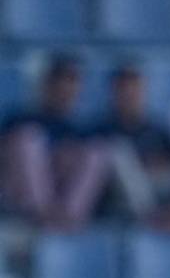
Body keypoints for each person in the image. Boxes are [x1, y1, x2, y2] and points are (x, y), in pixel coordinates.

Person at [3, 53, 109, 229]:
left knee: (97, 150)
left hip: (62, 201)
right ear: (47, 85)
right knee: (29, 139)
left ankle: (68, 216)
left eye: (72, 84)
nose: (66, 90)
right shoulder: (20, 118)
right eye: (60, 82)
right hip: (19, 200)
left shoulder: (79, 129)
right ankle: (44, 213)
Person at [95, 62, 170, 228]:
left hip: (159, 184)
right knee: (117, 150)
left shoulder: (157, 127)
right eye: (124, 90)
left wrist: (162, 164)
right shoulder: (101, 128)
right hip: (121, 192)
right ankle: (150, 215)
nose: (129, 95)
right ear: (114, 92)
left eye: (134, 90)